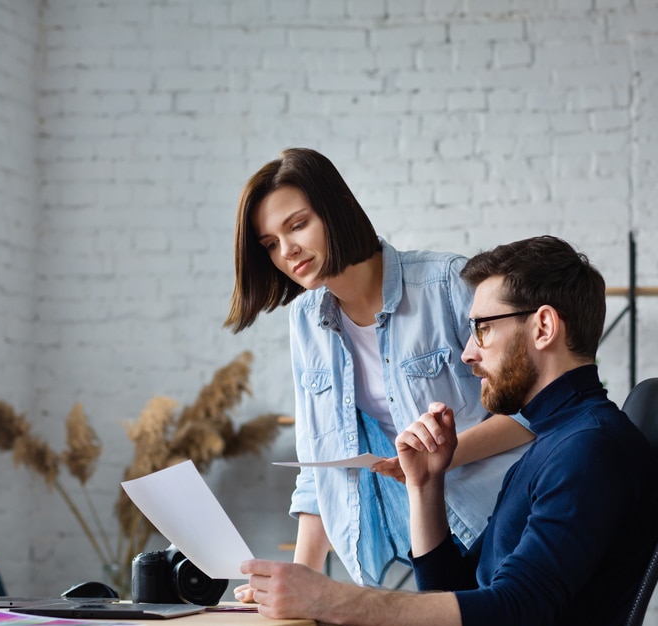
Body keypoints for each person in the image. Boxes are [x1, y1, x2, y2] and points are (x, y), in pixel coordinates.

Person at [237, 236, 658, 626]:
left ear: (543, 327)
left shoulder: (587, 450)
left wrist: (332, 600)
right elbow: (459, 594)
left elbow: (511, 617)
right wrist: (425, 484)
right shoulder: (558, 439)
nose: (468, 353)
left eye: (483, 328)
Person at [225, 148, 534, 587]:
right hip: (413, 552)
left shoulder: (445, 283)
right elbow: (320, 469)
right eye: (270, 244)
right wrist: (298, 579)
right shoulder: (306, 322)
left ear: (336, 210)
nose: (287, 250)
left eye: (297, 225)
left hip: (500, 530)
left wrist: (435, 461)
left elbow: (538, 410)